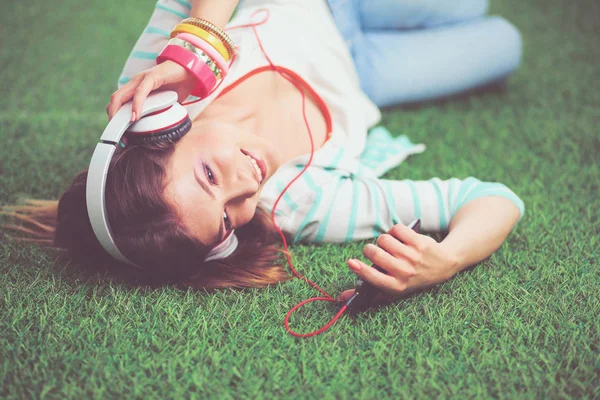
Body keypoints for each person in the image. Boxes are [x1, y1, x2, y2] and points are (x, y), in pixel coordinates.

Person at [4, 0, 524, 301]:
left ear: (164, 129)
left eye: (209, 175)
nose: (246, 188)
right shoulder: (301, 205)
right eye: (228, 220)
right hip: (368, 70)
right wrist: (448, 259)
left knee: (466, 4)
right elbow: (491, 197)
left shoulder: (158, 89)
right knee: (505, 44)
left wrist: (199, 46)